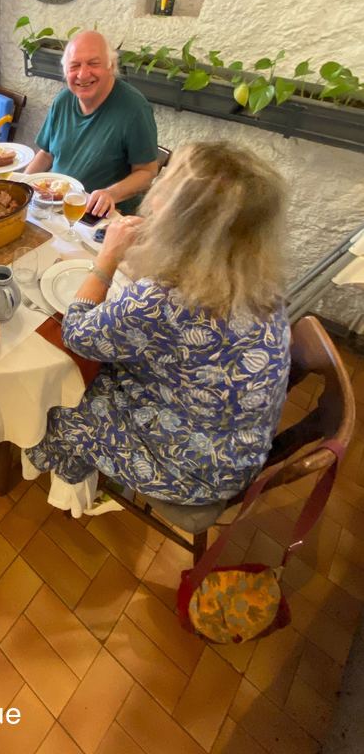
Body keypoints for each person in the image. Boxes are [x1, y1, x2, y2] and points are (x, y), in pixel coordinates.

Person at [25, 142, 291, 511]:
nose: (157, 186)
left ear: (185, 218)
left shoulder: (164, 298)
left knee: (58, 398)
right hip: (236, 449)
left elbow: (78, 333)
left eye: (168, 183)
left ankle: (71, 487)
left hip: (188, 470)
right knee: (95, 368)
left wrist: (107, 258)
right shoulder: (255, 277)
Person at [25, 30, 158, 217]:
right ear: (66, 72)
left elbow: (147, 172)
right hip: (55, 207)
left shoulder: (134, 109)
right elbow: (47, 154)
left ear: (111, 66)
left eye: (93, 64)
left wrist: (110, 194)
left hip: (101, 216)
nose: (83, 74)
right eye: (74, 66)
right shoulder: (62, 101)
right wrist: (22, 184)